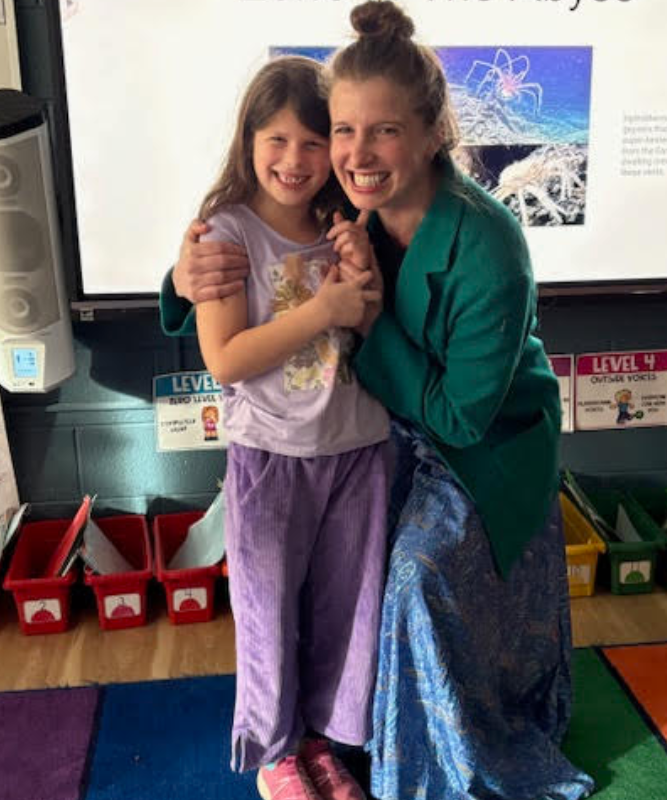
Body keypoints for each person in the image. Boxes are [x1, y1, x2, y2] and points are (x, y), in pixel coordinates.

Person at [161, 4, 595, 798]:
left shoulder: (488, 244)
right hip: (356, 439)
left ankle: (417, 750)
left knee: (402, 582)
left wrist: (359, 317)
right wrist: (183, 276)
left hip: (476, 449)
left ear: (433, 134)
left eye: (385, 131)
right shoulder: (339, 204)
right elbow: (260, 244)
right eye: (345, 130)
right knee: (292, 595)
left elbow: (460, 415)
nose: (355, 154)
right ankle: (292, 743)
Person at [179, 55, 392, 800]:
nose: (294, 160)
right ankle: (273, 755)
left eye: (311, 142)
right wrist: (323, 311)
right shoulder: (226, 234)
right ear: (248, 141)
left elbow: (364, 328)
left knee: (344, 613)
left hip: (358, 452)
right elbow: (226, 359)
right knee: (268, 617)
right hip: (270, 457)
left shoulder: (345, 225)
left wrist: (359, 289)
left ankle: (322, 745)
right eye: (277, 140)